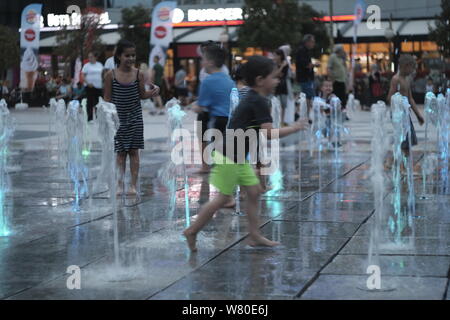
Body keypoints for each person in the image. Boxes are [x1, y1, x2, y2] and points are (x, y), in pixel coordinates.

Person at [183, 55, 309, 252]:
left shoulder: (253, 96)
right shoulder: (258, 101)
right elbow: (268, 134)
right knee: (222, 199)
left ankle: (255, 235)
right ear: (260, 80)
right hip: (230, 158)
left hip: (235, 156)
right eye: (274, 77)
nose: (277, 81)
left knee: (254, 192)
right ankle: (192, 230)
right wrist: (294, 128)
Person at [104, 39, 160, 196]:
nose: (130, 59)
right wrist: (106, 119)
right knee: (120, 153)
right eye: (127, 55)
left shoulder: (138, 74)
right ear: (119, 56)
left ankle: (133, 185)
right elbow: (107, 99)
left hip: (135, 117)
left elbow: (142, 95)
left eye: (133, 55)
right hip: (118, 120)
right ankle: (119, 184)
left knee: (134, 152)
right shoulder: (111, 75)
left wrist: (153, 92)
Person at [192, 45, 235, 174]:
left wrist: (194, 106)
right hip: (229, 120)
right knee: (224, 148)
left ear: (210, 62)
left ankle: (211, 169)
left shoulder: (207, 81)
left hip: (216, 119)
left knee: (213, 147)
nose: (201, 62)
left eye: (203, 59)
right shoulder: (229, 80)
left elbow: (201, 106)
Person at [386, 54, 424, 164]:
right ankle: (397, 163)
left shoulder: (406, 80)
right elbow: (390, 97)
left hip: (405, 114)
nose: (412, 71)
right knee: (403, 140)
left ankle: (404, 163)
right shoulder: (396, 79)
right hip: (398, 114)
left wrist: (418, 115)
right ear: (405, 66)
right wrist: (396, 102)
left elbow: (410, 98)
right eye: (412, 68)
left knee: (408, 141)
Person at [296, 34, 317, 123]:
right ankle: (304, 116)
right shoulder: (302, 51)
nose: (313, 44)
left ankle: (304, 115)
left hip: (306, 78)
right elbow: (305, 65)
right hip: (305, 78)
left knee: (307, 96)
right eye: (312, 42)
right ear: (307, 42)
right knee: (307, 97)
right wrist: (315, 65)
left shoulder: (306, 51)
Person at [327, 45, 349, 117]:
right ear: (339, 50)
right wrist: (331, 78)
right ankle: (334, 113)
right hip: (336, 80)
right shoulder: (333, 57)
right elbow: (329, 68)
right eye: (342, 50)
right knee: (336, 97)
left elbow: (344, 68)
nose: (343, 51)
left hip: (342, 80)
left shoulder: (341, 58)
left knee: (343, 98)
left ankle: (342, 113)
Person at [82, 52, 104, 121]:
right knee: (90, 102)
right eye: (89, 57)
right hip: (90, 86)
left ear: (95, 57)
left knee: (99, 102)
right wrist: (88, 83)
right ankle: (90, 118)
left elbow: (103, 74)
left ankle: (98, 117)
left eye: (91, 57)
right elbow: (83, 76)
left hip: (99, 87)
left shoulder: (100, 65)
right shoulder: (86, 66)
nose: (90, 58)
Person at [274, 49, 291, 125]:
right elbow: (276, 74)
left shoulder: (286, 64)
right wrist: (281, 67)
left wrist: (278, 72)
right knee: (274, 103)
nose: (274, 57)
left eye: (276, 55)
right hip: (275, 85)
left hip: (283, 86)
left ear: (280, 56)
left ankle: (282, 121)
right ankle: (275, 120)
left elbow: (282, 75)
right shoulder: (274, 64)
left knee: (283, 104)